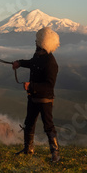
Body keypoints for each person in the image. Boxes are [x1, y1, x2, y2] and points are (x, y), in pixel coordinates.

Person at [12, 27, 61, 162]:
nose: (35, 43)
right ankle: (28, 149)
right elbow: (32, 64)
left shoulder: (51, 62)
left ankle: (55, 153)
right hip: (33, 97)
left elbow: (49, 85)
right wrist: (20, 63)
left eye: (37, 41)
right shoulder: (39, 56)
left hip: (45, 99)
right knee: (29, 123)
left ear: (42, 43)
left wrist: (31, 86)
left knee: (48, 125)